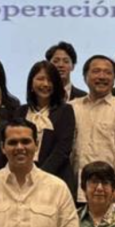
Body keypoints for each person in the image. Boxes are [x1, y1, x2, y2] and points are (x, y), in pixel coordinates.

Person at [71, 55, 115, 206]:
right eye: (96, 71)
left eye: (108, 72)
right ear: (85, 76)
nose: (102, 76)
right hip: (73, 188)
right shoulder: (71, 108)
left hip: (109, 190)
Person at [16, 61, 76, 195]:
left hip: (56, 178)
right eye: (40, 79)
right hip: (23, 178)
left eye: (50, 80)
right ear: (31, 83)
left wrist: (40, 175)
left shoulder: (65, 110)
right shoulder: (20, 111)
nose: (45, 84)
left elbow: (63, 149)